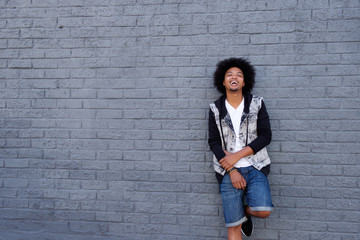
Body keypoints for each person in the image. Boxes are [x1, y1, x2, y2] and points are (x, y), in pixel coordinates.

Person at [208, 58, 273, 239]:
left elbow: (266, 136)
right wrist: (231, 169)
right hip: (227, 171)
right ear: (223, 81)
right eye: (229, 75)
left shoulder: (257, 104)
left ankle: (244, 213)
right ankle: (238, 217)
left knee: (263, 210)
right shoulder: (215, 109)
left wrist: (236, 156)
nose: (234, 77)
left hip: (256, 166)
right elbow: (213, 142)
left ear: (244, 81)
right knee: (233, 226)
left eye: (239, 75)